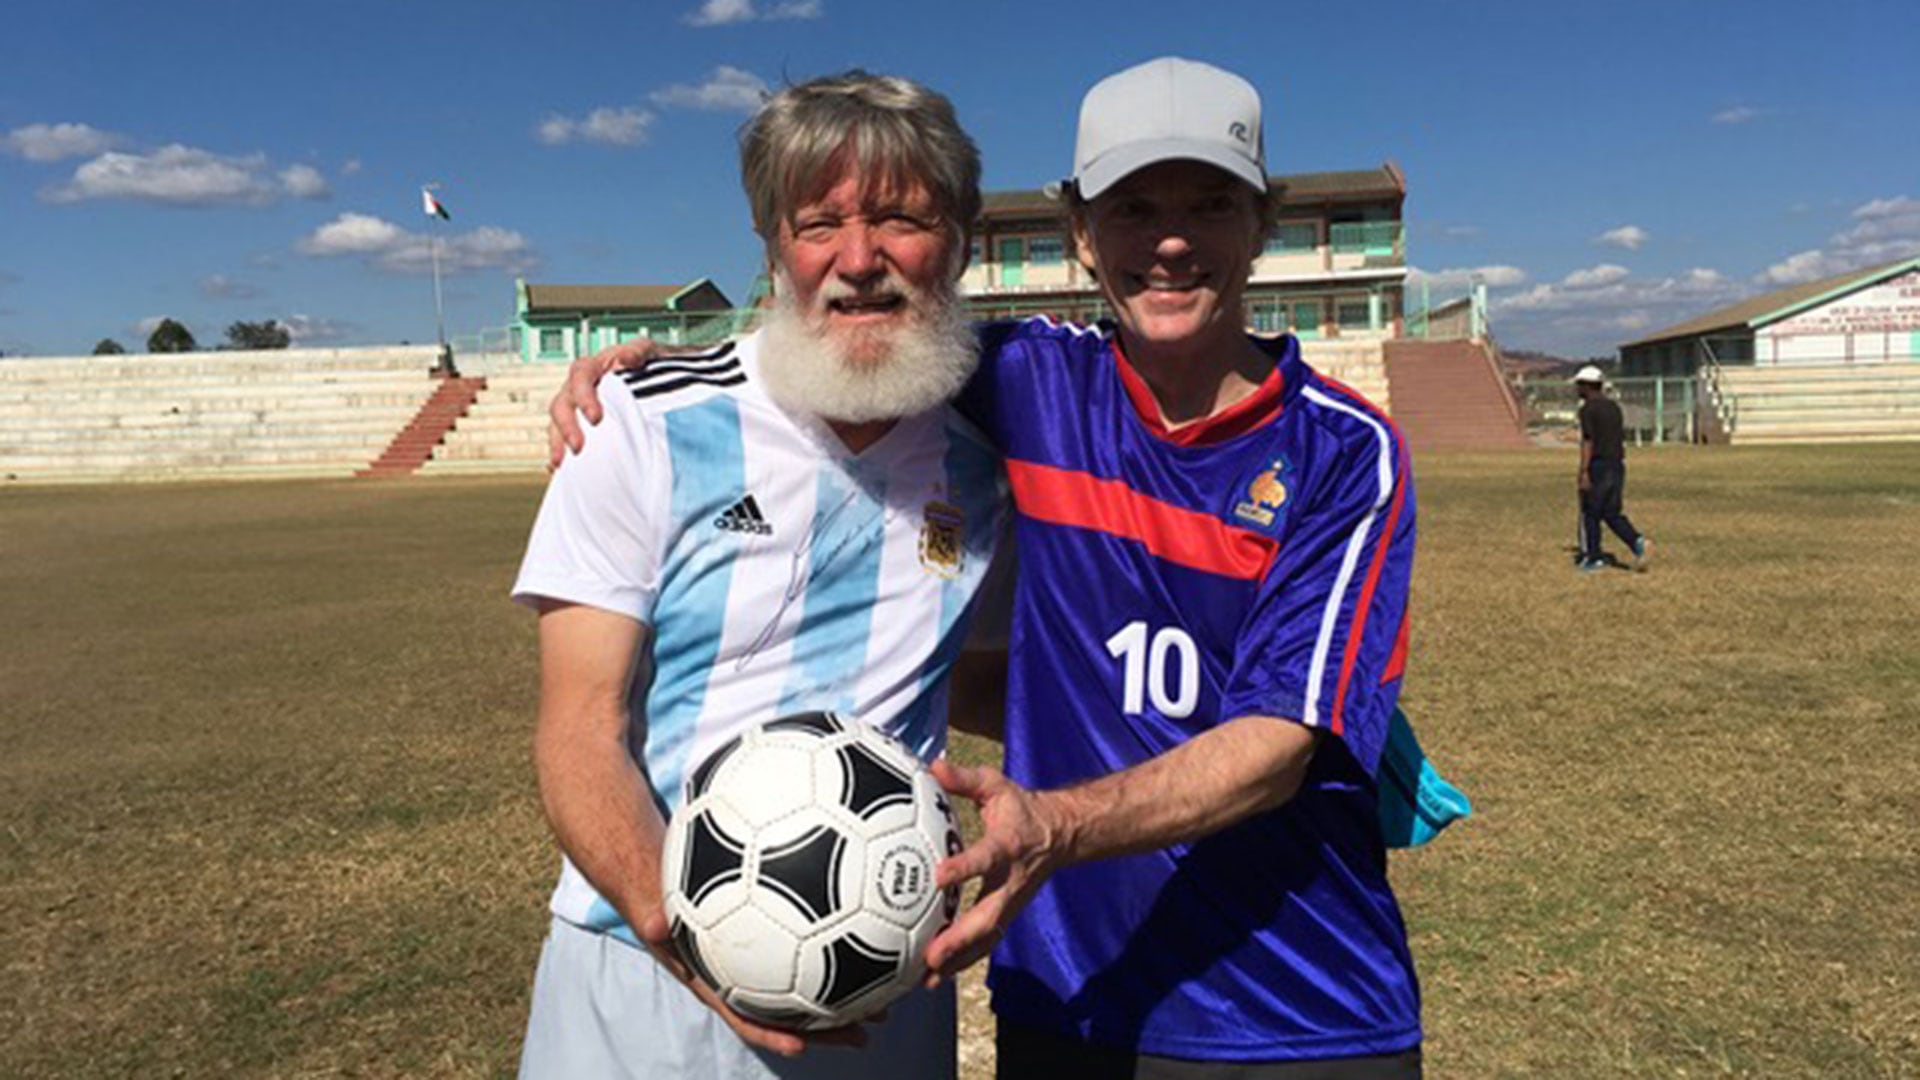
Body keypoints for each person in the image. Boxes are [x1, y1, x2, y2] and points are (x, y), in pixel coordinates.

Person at [551, 57, 1447, 1079]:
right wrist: (646, 374)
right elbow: (855, 327)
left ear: (1263, 222)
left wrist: (1055, 824)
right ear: (1078, 229)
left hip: (1293, 1005)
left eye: (1211, 203)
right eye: (1132, 207)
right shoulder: (1028, 381)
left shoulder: (1342, 451)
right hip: (1065, 997)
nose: (1169, 240)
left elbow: (1281, 742)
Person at [510, 70, 1006, 1080]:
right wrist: (691, 934)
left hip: (885, 975)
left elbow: (987, 682)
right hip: (641, 973)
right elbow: (578, 728)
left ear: (959, 238)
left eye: (901, 219)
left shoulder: (989, 465)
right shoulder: (641, 425)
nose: (858, 261)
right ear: (774, 249)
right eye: (819, 222)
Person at [1573, 364, 1650, 572]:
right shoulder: (1613, 407)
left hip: (1599, 465)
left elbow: (1588, 441)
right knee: (1611, 512)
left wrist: (1584, 471)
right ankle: (1636, 541)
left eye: (1579, 385)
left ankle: (1594, 556)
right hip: (1617, 464)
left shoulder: (1588, 409)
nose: (1577, 389)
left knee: (1590, 512)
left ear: (1588, 386)